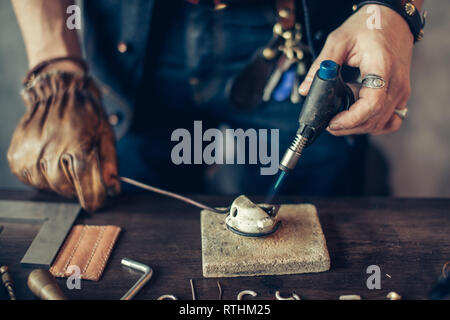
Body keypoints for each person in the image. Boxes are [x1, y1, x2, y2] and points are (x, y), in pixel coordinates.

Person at [7, 0, 424, 212]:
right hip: (133, 33)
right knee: (132, 214)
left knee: (316, 217)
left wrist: (392, 11)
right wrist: (56, 67)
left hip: (296, 31)